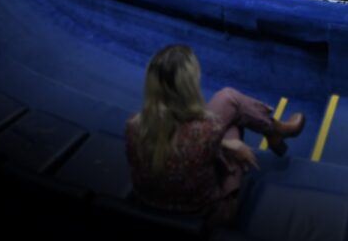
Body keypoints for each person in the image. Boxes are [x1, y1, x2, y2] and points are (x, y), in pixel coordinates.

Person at [125, 45, 305, 225]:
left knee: (227, 98)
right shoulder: (207, 130)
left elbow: (175, 143)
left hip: (146, 206)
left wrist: (222, 144)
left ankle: (274, 131)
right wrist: (230, 145)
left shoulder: (133, 126)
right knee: (233, 123)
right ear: (188, 87)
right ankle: (276, 131)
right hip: (202, 218)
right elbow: (195, 142)